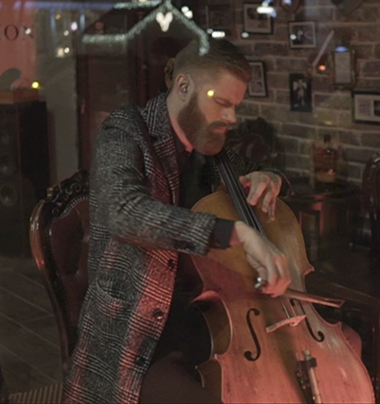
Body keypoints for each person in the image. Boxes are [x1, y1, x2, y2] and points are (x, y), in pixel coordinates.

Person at [62, 38, 360, 404]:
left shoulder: (212, 149)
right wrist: (236, 233)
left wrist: (272, 178)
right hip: (139, 338)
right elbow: (123, 214)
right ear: (184, 85)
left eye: (235, 106)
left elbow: (260, 173)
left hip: (211, 319)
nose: (232, 118)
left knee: (343, 346)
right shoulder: (124, 131)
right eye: (221, 102)